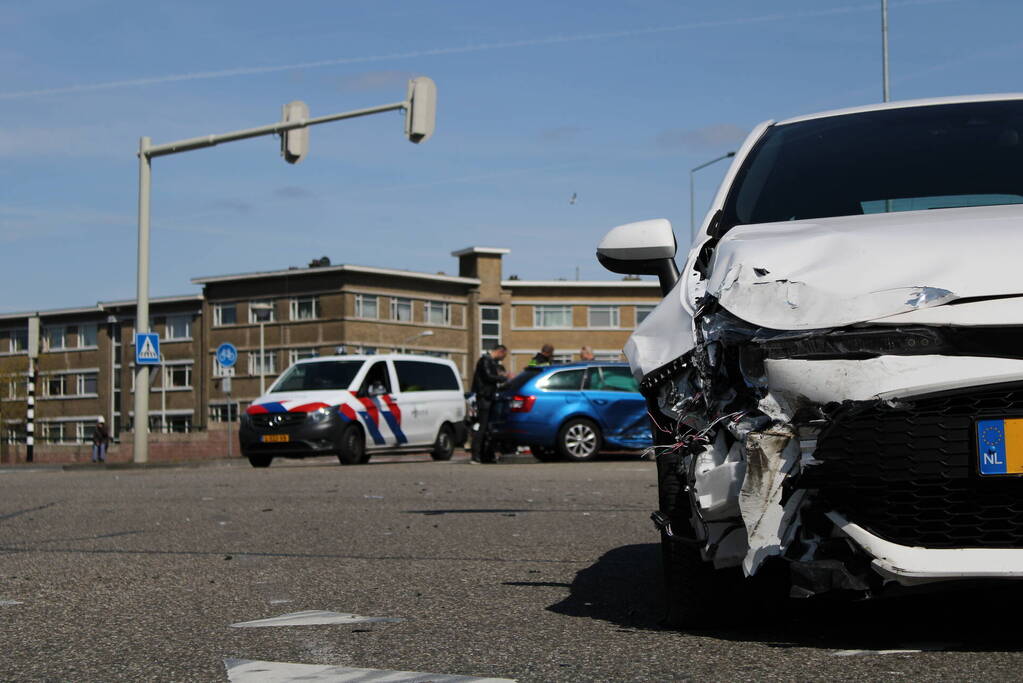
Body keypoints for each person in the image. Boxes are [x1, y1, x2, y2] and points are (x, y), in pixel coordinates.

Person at [470, 345, 508, 463]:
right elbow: (488, 376)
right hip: (484, 397)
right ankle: (476, 456)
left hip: (488, 397)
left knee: (487, 428)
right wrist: (502, 377)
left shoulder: (490, 361)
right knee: (483, 427)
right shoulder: (485, 360)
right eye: (503, 356)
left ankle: (485, 455)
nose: (502, 359)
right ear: (500, 352)